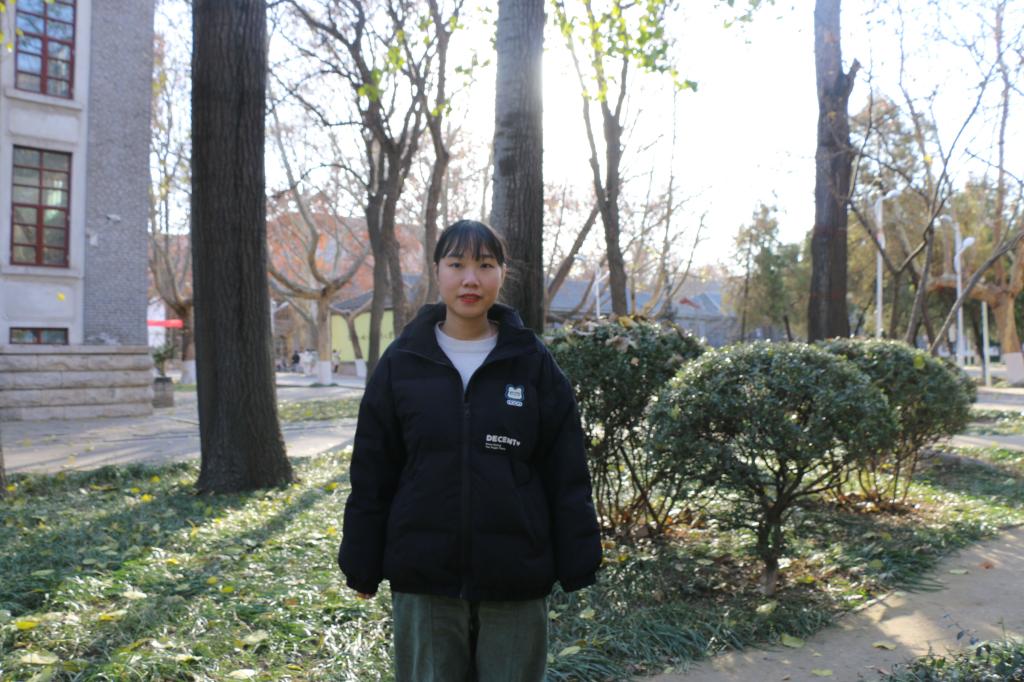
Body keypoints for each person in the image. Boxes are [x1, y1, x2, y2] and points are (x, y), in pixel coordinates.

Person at [338, 219, 602, 682]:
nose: (470, 279)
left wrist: (578, 557)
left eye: (484, 265)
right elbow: (373, 471)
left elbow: (565, 468)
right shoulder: (402, 363)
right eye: (456, 264)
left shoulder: (532, 362)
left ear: (502, 273)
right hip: (424, 575)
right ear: (437, 271)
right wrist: (362, 561)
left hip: (515, 574)